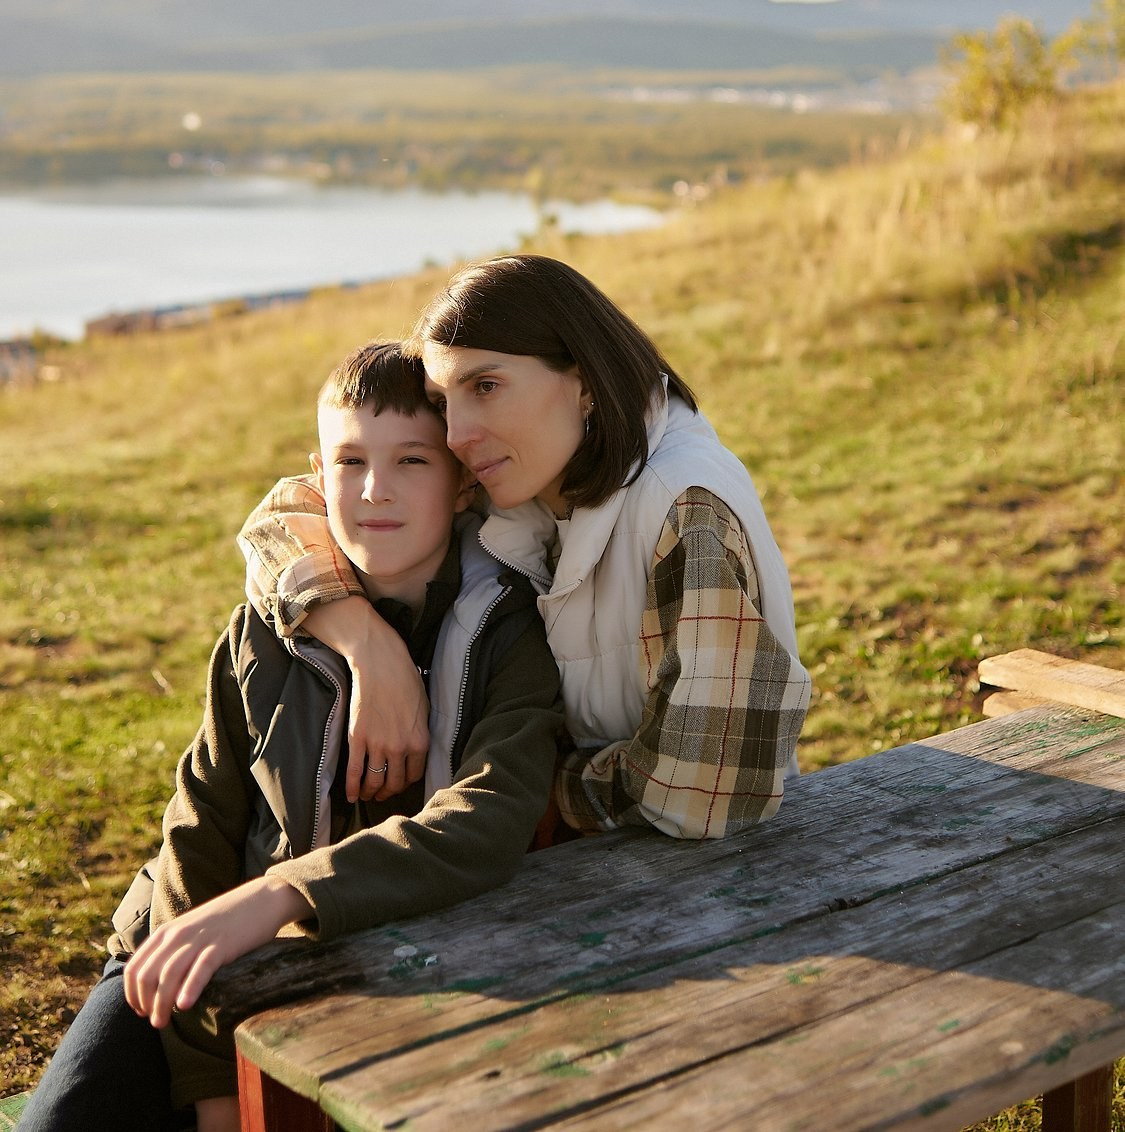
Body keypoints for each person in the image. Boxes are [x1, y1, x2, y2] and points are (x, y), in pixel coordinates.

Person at [21, 341, 562, 1132]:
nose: (375, 491)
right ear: (317, 473)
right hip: (187, 947)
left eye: (411, 460)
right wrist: (210, 1078)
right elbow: (198, 830)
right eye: (350, 461)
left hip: (381, 956)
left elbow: (484, 821)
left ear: (460, 481)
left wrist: (282, 895)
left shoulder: (507, 633)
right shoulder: (264, 631)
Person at [239, 255, 811, 844]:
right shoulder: (530, 471)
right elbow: (285, 517)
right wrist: (365, 646)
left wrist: (528, 787)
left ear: (585, 381)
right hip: (574, 867)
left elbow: (703, 789)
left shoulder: (684, 509)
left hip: (705, 884)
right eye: (442, 403)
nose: (457, 434)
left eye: (485, 387)